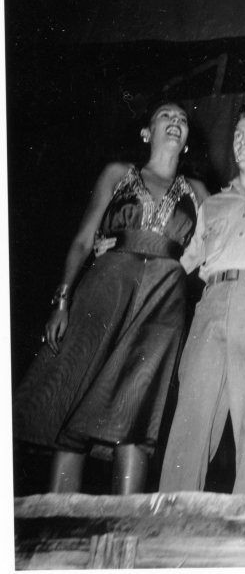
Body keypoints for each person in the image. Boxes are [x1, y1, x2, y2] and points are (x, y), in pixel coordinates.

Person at [13, 101, 208, 494]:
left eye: (183, 120)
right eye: (166, 117)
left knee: (138, 406)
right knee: (77, 395)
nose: (175, 122)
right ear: (146, 133)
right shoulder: (118, 174)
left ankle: (126, 526)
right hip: (108, 288)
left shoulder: (200, 191)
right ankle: (59, 519)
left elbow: (211, 248)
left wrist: (170, 268)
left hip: (163, 303)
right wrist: (62, 302)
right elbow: (84, 240)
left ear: (187, 141)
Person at [158, 102, 245, 494]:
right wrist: (123, 251)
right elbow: (182, 262)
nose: (242, 142)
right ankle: (172, 516)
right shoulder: (214, 204)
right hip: (213, 302)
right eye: (238, 135)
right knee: (191, 415)